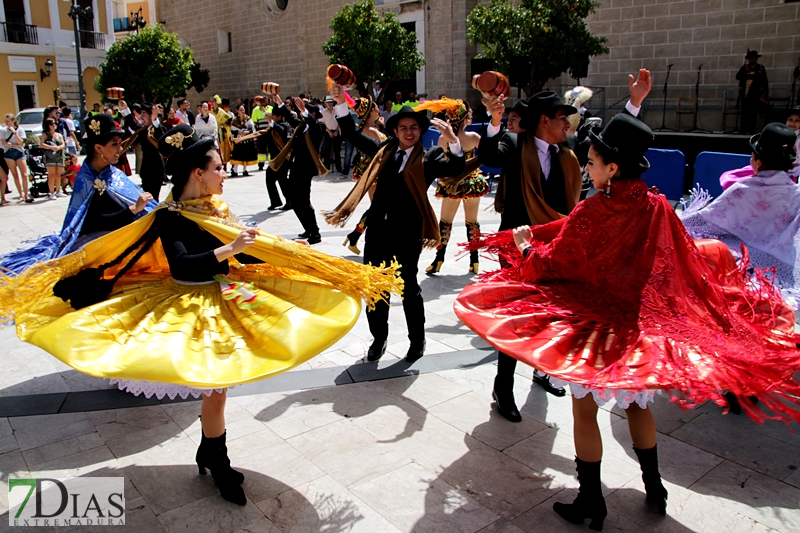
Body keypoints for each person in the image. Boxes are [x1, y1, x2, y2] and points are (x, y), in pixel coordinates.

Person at [0, 122, 402, 506]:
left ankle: (212, 452)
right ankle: (217, 458)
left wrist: (285, 254)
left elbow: (241, 250)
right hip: (187, 305)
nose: (224, 173)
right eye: (218, 167)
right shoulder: (171, 216)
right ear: (198, 172)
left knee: (218, 390)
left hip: (222, 295)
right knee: (215, 388)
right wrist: (229, 249)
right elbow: (182, 265)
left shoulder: (215, 209)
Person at [455, 114, 800, 531]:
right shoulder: (656, 204)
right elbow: (674, 253)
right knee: (638, 408)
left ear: (612, 168)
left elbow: (556, 262)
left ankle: (591, 501)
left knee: (585, 414)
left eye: (593, 162)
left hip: (595, 330)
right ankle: (655, 489)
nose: (587, 168)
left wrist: (527, 247)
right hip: (639, 332)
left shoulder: (595, 208)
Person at [479, 70, 652, 423]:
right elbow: (489, 157)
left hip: (556, 249)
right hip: (518, 245)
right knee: (515, 319)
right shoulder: (515, 144)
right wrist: (494, 122)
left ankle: (543, 374)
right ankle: (504, 387)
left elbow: (613, 149)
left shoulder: (569, 152)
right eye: (562, 118)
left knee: (553, 316)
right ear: (545, 121)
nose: (568, 123)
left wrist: (635, 102)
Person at [327, 83, 466, 363]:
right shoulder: (383, 152)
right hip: (378, 232)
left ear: (420, 130)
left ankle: (418, 341)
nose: (409, 131)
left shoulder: (430, 157)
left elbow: (457, 168)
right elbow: (351, 133)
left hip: (407, 234)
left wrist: (453, 141)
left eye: (413, 127)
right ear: (395, 130)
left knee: (409, 289)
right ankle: (379, 339)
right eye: (403, 127)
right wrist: (340, 101)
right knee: (375, 289)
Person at [0, 114, 155, 274]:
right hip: (102, 243)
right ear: (98, 148)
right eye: (114, 144)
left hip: (125, 232)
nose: (121, 148)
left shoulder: (113, 172)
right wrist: (133, 209)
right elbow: (91, 223)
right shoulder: (86, 181)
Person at [682, 122, 800, 310]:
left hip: (740, 263)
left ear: (758, 162)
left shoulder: (742, 189)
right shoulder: (797, 194)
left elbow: (702, 221)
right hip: (778, 269)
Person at [416, 98, 489, 275]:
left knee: (445, 223)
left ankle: (439, 259)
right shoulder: (473, 137)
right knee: (472, 222)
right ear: (465, 119)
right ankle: (475, 261)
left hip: (452, 185)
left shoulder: (443, 139)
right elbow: (488, 154)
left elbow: (441, 160)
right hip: (472, 183)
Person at [270, 96, 326, 244]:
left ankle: (315, 233)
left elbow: (313, 124)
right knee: (294, 200)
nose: (301, 114)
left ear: (312, 114)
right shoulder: (301, 126)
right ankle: (308, 228)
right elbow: (289, 117)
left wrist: (304, 111)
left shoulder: (317, 127)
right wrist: (280, 103)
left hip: (305, 170)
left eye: (305, 112)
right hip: (295, 168)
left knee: (304, 201)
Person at [341, 96, 386, 254]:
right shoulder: (372, 131)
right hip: (374, 174)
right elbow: (385, 147)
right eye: (375, 107)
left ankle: (354, 236)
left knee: (377, 207)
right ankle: (359, 237)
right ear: (371, 111)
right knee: (377, 207)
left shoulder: (367, 129)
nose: (377, 109)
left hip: (370, 172)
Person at [120, 100, 167, 200]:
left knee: (154, 199)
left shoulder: (159, 129)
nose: (141, 118)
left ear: (151, 115)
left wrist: (155, 120)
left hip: (156, 171)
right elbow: (133, 125)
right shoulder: (142, 131)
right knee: (146, 199)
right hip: (145, 171)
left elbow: (161, 137)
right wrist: (125, 109)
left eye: (144, 114)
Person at [263, 109, 290, 211]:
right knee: (270, 179)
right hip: (274, 158)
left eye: (274, 116)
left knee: (282, 180)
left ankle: (289, 201)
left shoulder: (283, 126)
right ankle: (275, 201)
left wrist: (271, 122)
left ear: (279, 117)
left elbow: (279, 129)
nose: (272, 117)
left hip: (282, 158)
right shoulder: (271, 127)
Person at [736, 50, 769, 134]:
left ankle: (751, 129)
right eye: (751, 58)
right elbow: (738, 77)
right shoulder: (744, 68)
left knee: (753, 112)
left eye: (754, 58)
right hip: (745, 93)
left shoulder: (760, 68)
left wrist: (765, 92)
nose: (752, 60)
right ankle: (743, 129)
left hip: (755, 94)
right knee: (744, 112)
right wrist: (744, 73)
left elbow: (765, 81)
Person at [2, 114, 32, 203]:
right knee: (15, 174)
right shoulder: (3, 130)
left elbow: (22, 142)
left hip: (19, 153)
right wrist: (17, 145)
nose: (7, 123)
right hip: (8, 153)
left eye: (9, 121)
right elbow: (4, 143)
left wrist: (14, 133)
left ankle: (26, 194)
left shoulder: (20, 130)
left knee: (24, 174)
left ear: (13, 121)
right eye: (6, 121)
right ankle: (21, 195)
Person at [40, 118, 66, 200]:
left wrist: (58, 147)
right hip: (50, 157)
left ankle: (58, 191)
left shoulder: (59, 135)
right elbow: (41, 144)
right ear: (48, 125)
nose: (54, 125)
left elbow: (63, 144)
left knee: (58, 174)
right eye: (51, 124)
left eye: (54, 123)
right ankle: (51, 192)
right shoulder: (45, 135)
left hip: (59, 156)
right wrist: (52, 147)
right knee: (51, 175)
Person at [229, 105, 257, 177]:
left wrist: (246, 132)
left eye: (243, 109)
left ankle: (245, 170)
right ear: (237, 111)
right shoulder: (235, 120)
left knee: (246, 155)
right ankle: (235, 171)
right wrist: (239, 133)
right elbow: (232, 130)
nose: (242, 111)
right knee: (237, 156)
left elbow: (251, 128)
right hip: (239, 140)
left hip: (247, 140)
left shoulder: (248, 119)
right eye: (241, 110)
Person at [320, 96, 342, 173]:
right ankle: (326, 167)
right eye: (328, 102)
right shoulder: (322, 112)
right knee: (327, 150)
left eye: (331, 102)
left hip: (336, 130)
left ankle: (339, 168)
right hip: (327, 131)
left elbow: (340, 122)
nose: (329, 104)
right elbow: (321, 123)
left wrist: (336, 130)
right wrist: (329, 132)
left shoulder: (337, 111)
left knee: (337, 150)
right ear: (325, 103)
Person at [212, 96, 234, 171]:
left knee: (223, 148)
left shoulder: (221, 111)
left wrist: (223, 124)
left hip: (221, 132)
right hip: (213, 132)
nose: (212, 103)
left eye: (213, 101)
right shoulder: (210, 111)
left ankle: (225, 164)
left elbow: (229, 120)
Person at [251, 95, 272, 170]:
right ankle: (261, 163)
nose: (265, 101)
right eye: (263, 100)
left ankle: (271, 163)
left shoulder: (270, 108)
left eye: (265, 100)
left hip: (270, 131)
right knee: (261, 148)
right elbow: (254, 121)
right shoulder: (255, 110)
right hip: (261, 132)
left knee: (271, 148)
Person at [787, 106, 800, 181]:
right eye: (790, 119)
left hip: (796, 172)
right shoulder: (782, 134)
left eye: (797, 120)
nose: (792, 123)